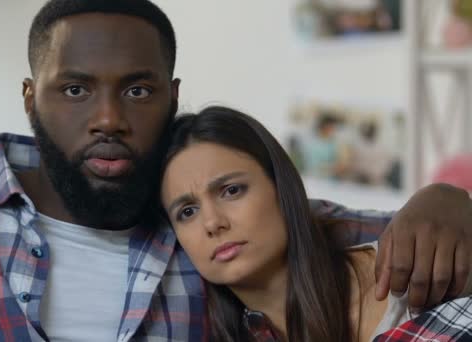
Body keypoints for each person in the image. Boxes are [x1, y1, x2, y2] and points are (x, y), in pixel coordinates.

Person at [0, 0, 472, 340]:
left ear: (172, 96)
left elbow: (352, 234)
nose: (108, 118)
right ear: (30, 97)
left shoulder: (200, 229)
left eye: (137, 91)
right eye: (75, 90)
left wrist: (447, 197)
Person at [160, 106, 472, 341]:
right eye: (187, 211)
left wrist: (446, 196)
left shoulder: (417, 266)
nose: (213, 223)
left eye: (231, 190)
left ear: (282, 188)